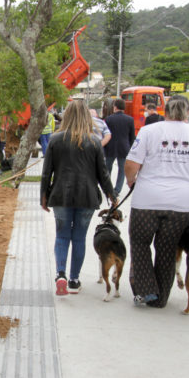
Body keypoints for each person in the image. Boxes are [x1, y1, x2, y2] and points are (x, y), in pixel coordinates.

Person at [124, 95, 189, 308]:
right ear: (187, 112)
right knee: (167, 248)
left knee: (140, 243)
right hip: (181, 203)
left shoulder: (148, 131)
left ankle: (146, 291)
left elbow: (131, 163)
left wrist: (131, 181)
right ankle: (161, 297)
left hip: (147, 199)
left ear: (165, 110)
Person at [41, 101, 117, 295]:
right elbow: (103, 173)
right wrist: (111, 195)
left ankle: (60, 274)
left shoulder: (55, 140)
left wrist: (44, 195)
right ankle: (74, 280)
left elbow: (46, 172)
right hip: (87, 196)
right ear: (87, 117)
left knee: (62, 235)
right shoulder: (94, 141)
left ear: (66, 116)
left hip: (61, 195)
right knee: (79, 237)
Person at [103, 98, 136, 195]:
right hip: (124, 147)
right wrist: (130, 148)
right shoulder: (130, 119)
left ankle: (107, 188)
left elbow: (105, 134)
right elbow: (132, 136)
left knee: (107, 168)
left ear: (115, 107)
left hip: (110, 147)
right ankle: (117, 190)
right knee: (122, 170)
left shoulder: (109, 119)